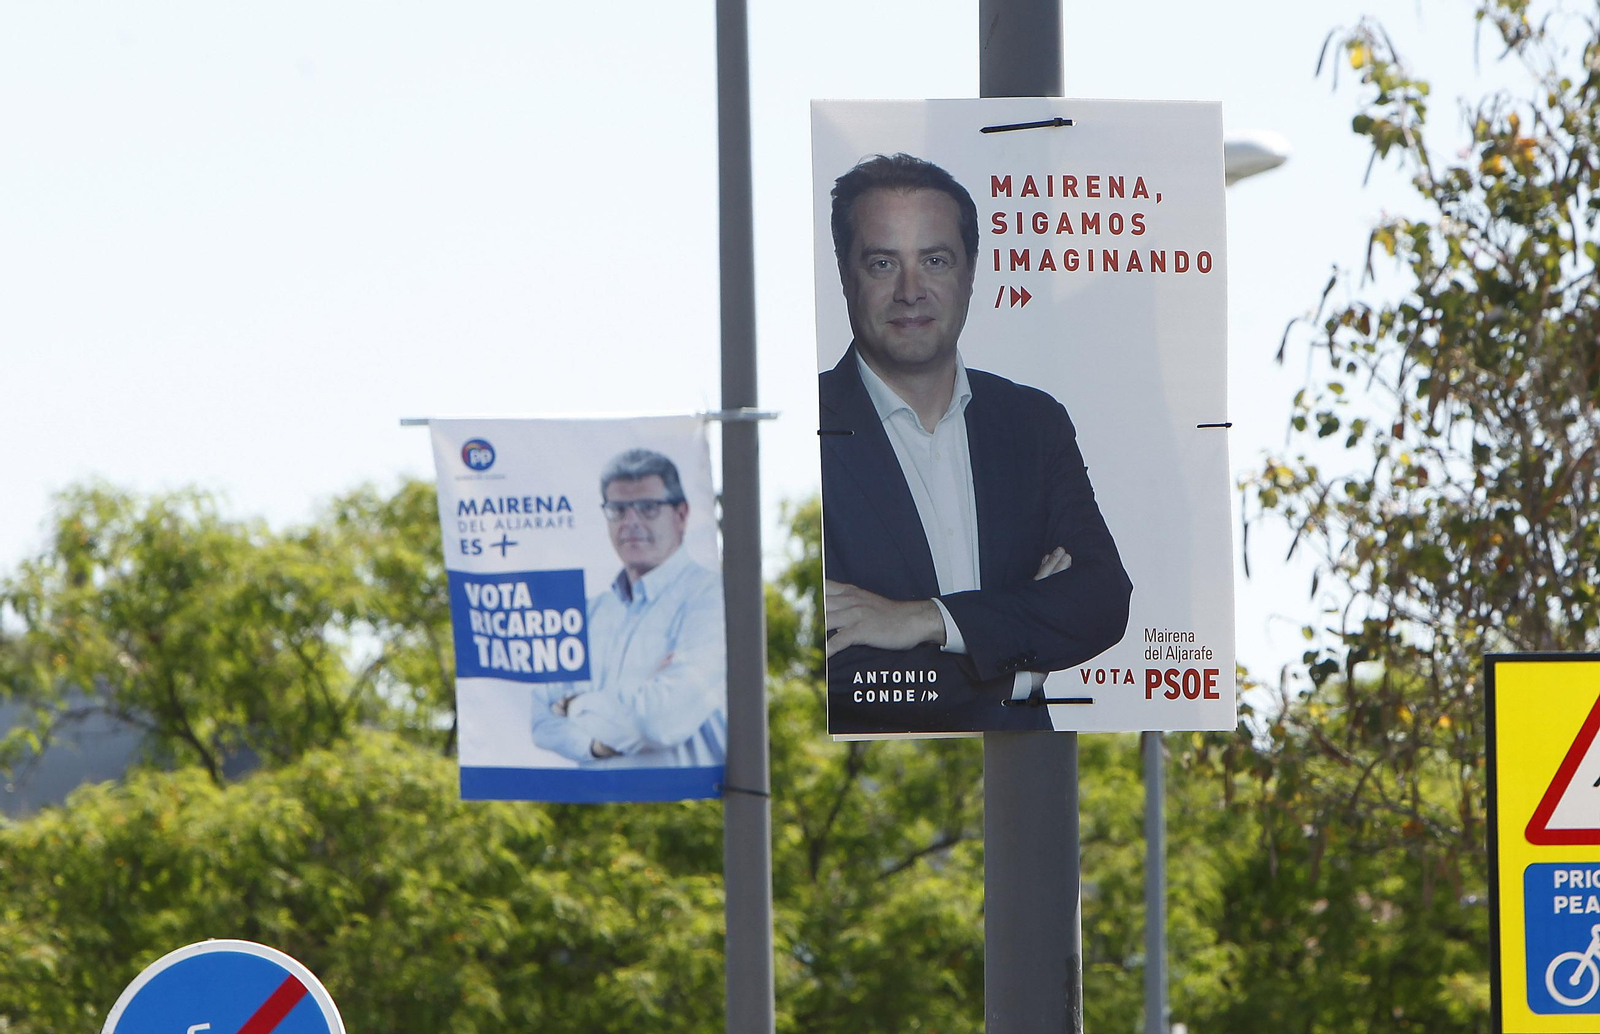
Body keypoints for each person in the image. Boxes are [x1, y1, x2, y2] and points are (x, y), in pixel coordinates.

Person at [819, 152, 1132, 734]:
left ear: (970, 273)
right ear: (845, 275)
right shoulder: (808, 435)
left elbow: (1100, 600)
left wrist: (925, 621)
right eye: (884, 263)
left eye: (934, 260)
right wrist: (1020, 661)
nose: (911, 292)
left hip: (1029, 780)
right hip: (870, 797)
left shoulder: (1033, 423)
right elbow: (837, 677)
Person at [531, 448, 727, 766]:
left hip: (686, 805)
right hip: (588, 805)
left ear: (681, 514)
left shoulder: (713, 598)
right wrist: (595, 746)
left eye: (648, 508)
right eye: (618, 509)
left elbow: (662, 721)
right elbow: (541, 720)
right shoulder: (586, 613)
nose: (630, 522)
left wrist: (573, 705)